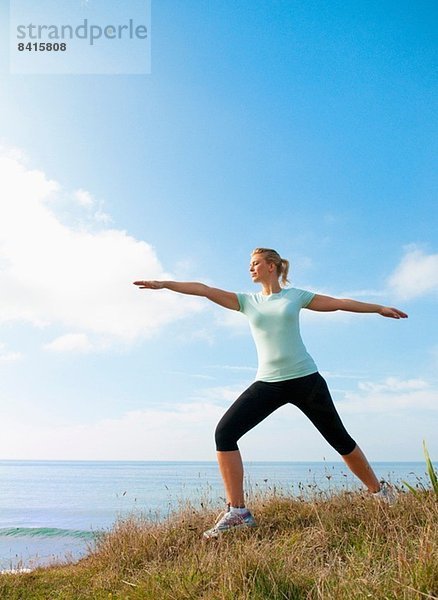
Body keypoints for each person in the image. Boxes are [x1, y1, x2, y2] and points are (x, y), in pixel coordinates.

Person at [133, 248, 408, 539]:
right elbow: (204, 289)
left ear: (272, 266)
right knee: (225, 433)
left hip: (306, 379)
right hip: (268, 382)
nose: (250, 269)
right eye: (250, 265)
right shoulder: (247, 302)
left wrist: (377, 308)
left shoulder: (295, 296)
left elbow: (338, 304)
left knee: (339, 439)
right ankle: (238, 511)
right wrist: (165, 284)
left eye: (255, 264)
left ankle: (380, 493)